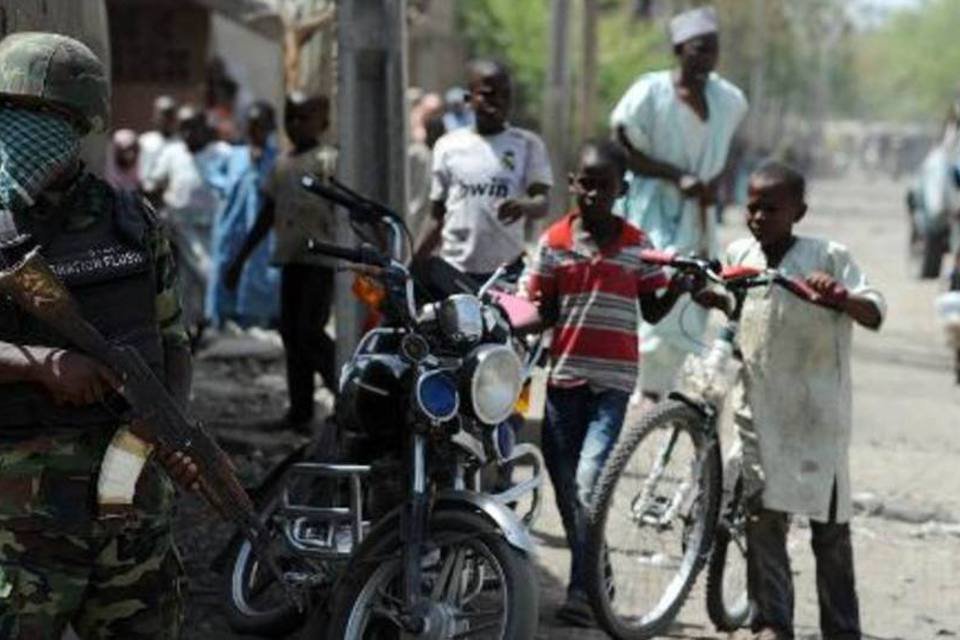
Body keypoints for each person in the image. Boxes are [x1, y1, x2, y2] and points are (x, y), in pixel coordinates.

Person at [0, 32, 199, 638]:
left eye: (48, 117)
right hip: (17, 523)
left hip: (128, 509)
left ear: (80, 125)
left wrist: (167, 428)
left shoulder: (131, 222)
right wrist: (38, 363)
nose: (27, 131)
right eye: (16, 115)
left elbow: (173, 344)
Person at [519, 140, 703, 626]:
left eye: (605, 186)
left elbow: (652, 307)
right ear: (572, 184)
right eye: (586, 183)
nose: (594, 194)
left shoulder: (637, 246)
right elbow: (543, 312)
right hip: (563, 379)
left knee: (588, 481)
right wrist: (511, 318)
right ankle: (596, 571)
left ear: (623, 190)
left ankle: (581, 592)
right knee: (565, 487)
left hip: (614, 381)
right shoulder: (554, 243)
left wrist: (679, 288)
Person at [715, 161, 884, 640]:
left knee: (828, 530)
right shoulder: (739, 252)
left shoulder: (829, 256)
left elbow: (873, 311)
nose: (758, 216)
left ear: (799, 211)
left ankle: (842, 628)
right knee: (762, 518)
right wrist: (712, 296)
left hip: (816, 417)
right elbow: (731, 308)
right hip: (759, 412)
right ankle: (772, 621)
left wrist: (840, 298)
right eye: (752, 206)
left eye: (771, 207)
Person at [610, 5, 748, 399]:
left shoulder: (726, 99)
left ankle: (671, 387)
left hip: (698, 214)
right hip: (652, 206)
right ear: (679, 49)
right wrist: (674, 175)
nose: (706, 57)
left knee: (695, 286)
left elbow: (726, 151)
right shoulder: (649, 91)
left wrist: (713, 185)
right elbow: (623, 146)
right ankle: (641, 385)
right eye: (698, 48)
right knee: (656, 282)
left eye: (713, 49)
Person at [225, 93, 336, 432]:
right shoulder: (282, 164)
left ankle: (346, 395)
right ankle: (300, 411)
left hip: (321, 260)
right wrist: (240, 259)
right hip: (291, 259)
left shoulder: (328, 160)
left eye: (304, 118)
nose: (296, 125)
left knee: (309, 331)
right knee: (290, 333)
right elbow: (267, 213)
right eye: (291, 118)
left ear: (323, 122)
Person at [414, 60, 553, 281]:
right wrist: (414, 263)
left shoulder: (527, 145)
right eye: (488, 94)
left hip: (506, 274)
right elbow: (437, 216)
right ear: (469, 99)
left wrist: (525, 206)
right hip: (454, 272)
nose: (497, 102)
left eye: (505, 95)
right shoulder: (448, 146)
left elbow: (542, 203)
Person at [143, 105, 232, 335]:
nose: (188, 135)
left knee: (209, 274)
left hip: (212, 228)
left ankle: (209, 325)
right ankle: (188, 332)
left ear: (204, 128)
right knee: (183, 284)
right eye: (183, 129)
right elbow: (152, 184)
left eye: (193, 128)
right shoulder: (173, 152)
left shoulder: (221, 153)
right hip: (179, 229)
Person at [208, 101, 280, 329]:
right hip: (231, 234)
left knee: (262, 281)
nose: (256, 131)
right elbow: (216, 181)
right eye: (252, 126)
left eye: (261, 126)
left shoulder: (277, 160)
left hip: (263, 236)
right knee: (226, 278)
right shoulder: (232, 157)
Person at [138, 95, 178, 186]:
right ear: (155, 116)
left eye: (169, 115)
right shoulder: (144, 141)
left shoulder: (182, 144)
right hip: (147, 194)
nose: (165, 119)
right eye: (162, 114)